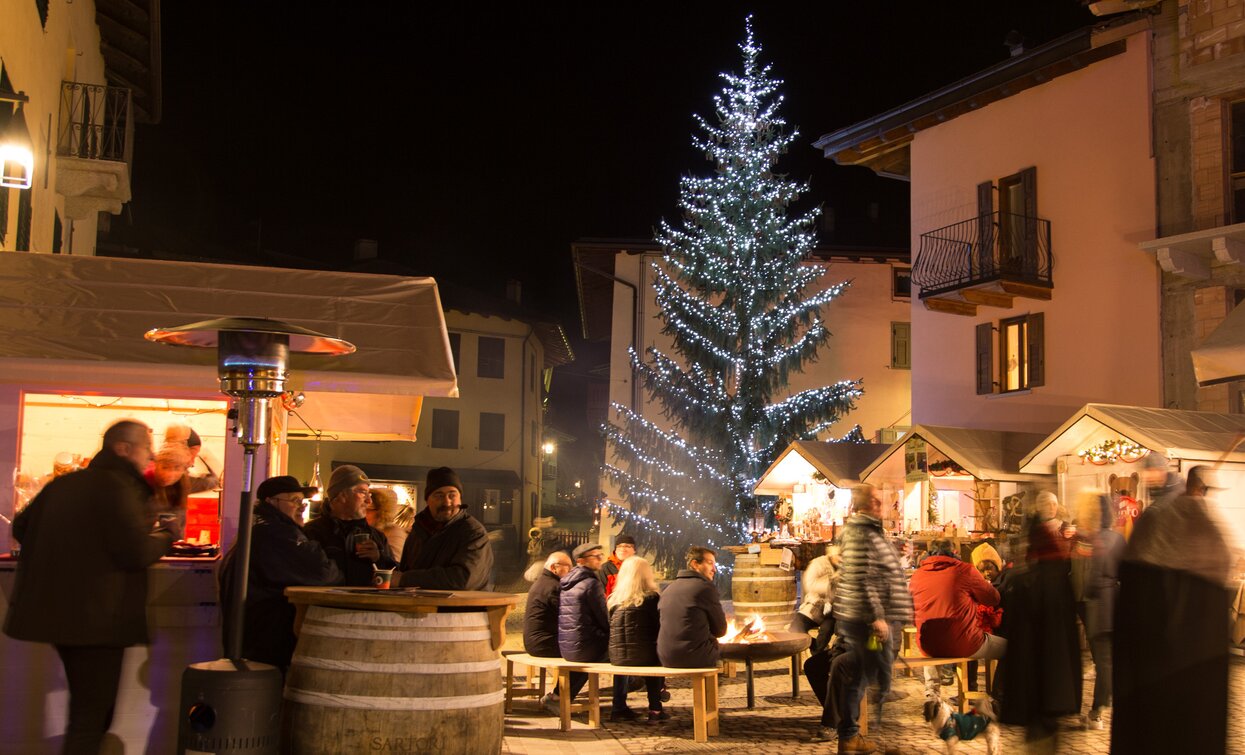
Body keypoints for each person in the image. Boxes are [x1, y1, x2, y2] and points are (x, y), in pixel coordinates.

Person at [4, 420, 179, 754]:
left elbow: (24, 526)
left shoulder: (67, 484)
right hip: (100, 618)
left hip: (64, 614)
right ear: (123, 448)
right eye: (145, 445)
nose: (151, 454)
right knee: (92, 717)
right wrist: (169, 534)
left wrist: (70, 558)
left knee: (87, 711)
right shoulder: (118, 487)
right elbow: (135, 552)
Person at [1113, 466, 1232, 754]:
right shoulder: (1207, 529)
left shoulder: (1155, 519)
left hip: (1152, 663)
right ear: (1200, 489)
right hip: (1194, 664)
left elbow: (1128, 579)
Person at [219, 475, 342, 673]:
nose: (302, 507)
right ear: (271, 502)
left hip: (253, 639)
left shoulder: (258, 528)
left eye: (302, 501)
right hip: (266, 642)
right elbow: (322, 573)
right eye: (294, 501)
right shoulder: (275, 533)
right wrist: (327, 557)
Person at [830, 484, 912, 755]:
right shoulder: (860, 532)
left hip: (880, 618)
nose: (882, 505)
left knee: (867, 674)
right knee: (879, 675)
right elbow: (862, 577)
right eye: (877, 501)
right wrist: (876, 617)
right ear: (866, 504)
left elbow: (870, 570)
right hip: (873, 622)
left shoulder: (869, 531)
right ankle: (878, 736)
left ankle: (853, 737)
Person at [994, 500, 1082, 752]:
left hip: (1032, 677)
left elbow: (1012, 629)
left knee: (1038, 734)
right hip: (1056, 676)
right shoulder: (1061, 580)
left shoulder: (1024, 581)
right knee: (1048, 731)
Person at [909, 539, 1005, 700]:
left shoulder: (917, 575)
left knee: (932, 642)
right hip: (964, 643)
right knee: (1013, 648)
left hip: (928, 645)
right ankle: (1000, 696)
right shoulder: (965, 570)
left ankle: (932, 694)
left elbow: (910, 612)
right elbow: (993, 598)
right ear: (954, 553)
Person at [1069, 489, 1124, 730]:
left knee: (1103, 662)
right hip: (1115, 604)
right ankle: (1099, 709)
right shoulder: (1117, 538)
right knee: (1108, 661)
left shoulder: (1097, 540)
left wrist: (1088, 594)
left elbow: (1091, 577)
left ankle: (1098, 711)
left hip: (1097, 607)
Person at [396, 467, 493, 590]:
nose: (447, 502)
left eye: (452, 495)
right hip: (421, 607)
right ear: (427, 500)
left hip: (462, 608)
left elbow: (463, 579)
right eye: (439, 495)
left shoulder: (473, 532)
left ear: (460, 498)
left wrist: (405, 579)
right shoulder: (418, 530)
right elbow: (406, 570)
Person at [303, 465, 396, 586]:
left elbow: (396, 574)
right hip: (326, 604)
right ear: (342, 495)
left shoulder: (377, 536)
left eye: (369, 494)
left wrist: (379, 558)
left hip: (366, 604)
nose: (369, 501)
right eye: (363, 492)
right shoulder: (312, 532)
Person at [607, 556, 668, 723]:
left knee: (626, 657)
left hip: (617, 658)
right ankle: (655, 709)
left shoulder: (614, 601)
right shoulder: (652, 598)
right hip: (646, 656)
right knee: (654, 656)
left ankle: (618, 707)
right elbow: (658, 627)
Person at [522, 551, 582, 713]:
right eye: (568, 567)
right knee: (584, 654)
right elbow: (567, 617)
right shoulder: (553, 587)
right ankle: (556, 698)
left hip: (539, 640)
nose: (571, 570)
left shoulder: (545, 582)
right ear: (555, 567)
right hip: (543, 643)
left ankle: (559, 695)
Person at [557, 543, 613, 712]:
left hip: (567, 645)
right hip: (584, 647)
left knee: (588, 657)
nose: (599, 559)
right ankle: (621, 702)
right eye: (595, 556)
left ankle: (557, 696)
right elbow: (604, 618)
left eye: (600, 555)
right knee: (619, 653)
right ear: (581, 561)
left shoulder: (567, 582)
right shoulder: (591, 583)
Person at [657, 546, 727, 669]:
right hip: (694, 656)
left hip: (665, 656)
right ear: (695, 564)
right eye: (710, 563)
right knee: (727, 653)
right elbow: (720, 630)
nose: (714, 569)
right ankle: (711, 688)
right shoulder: (705, 588)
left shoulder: (668, 588)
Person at [792, 543, 842, 654]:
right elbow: (809, 584)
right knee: (795, 628)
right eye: (839, 555)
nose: (841, 559)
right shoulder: (818, 564)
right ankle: (812, 644)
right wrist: (830, 583)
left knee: (827, 630)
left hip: (832, 610)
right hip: (814, 605)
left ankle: (818, 654)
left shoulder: (846, 569)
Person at [367, 487, 408, 562]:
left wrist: (378, 556)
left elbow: (394, 563)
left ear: (380, 512)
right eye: (362, 508)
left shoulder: (394, 532)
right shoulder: (361, 530)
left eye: (368, 510)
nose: (364, 513)